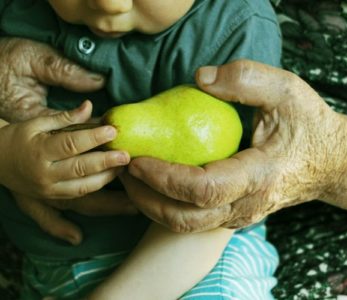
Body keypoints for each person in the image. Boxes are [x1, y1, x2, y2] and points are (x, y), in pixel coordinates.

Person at [0, 0, 281, 299]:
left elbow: (224, 201)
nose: (108, 4)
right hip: (53, 263)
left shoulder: (232, 27)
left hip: (195, 262)